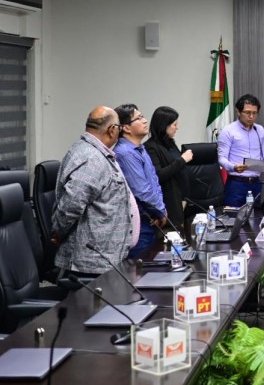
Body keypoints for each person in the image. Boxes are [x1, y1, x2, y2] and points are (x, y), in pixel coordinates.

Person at [51, 106, 139, 276]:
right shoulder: (92, 159)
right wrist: (58, 232)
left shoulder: (97, 153)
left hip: (104, 260)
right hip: (91, 265)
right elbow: (71, 205)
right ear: (112, 129)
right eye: (119, 128)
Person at [114, 103, 167, 258]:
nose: (145, 120)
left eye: (143, 116)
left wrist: (160, 209)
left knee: (153, 262)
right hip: (140, 222)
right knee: (140, 266)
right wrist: (160, 211)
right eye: (139, 118)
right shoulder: (125, 153)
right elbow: (141, 191)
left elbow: (154, 181)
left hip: (152, 217)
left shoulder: (140, 148)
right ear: (126, 128)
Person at [217, 94, 264, 207]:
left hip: (256, 183)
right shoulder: (228, 131)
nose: (251, 116)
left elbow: (263, 154)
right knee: (233, 216)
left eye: (254, 113)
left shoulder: (260, 130)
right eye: (247, 112)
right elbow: (221, 158)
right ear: (238, 112)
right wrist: (233, 167)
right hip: (236, 184)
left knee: (256, 215)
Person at [144, 106, 193, 229]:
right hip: (168, 203)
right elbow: (158, 175)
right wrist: (182, 160)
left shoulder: (170, 142)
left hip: (181, 200)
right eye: (174, 124)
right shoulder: (151, 147)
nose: (177, 127)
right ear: (164, 125)